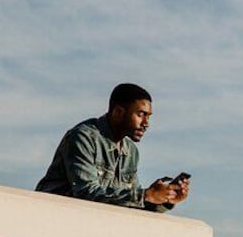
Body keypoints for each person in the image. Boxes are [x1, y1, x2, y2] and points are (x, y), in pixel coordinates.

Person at [36, 83, 189, 212]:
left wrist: (166, 199)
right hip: (50, 219)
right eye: (141, 114)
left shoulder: (130, 151)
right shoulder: (83, 137)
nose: (146, 123)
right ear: (118, 112)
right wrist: (145, 195)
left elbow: (129, 205)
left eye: (148, 116)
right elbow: (85, 193)